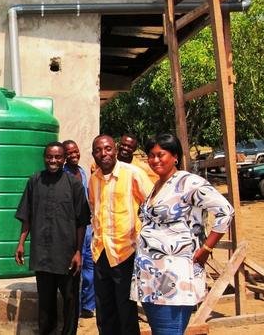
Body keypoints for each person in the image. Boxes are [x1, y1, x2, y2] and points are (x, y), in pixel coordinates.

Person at [130, 133, 234, 334]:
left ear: (175, 156)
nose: (155, 160)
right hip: (150, 277)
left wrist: (206, 248)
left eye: (161, 155)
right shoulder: (158, 185)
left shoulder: (188, 183)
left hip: (174, 277)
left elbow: (225, 211)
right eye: (151, 155)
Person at [15, 141, 90, 335]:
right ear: (44, 157)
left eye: (57, 157)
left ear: (64, 159)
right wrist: (21, 243)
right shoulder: (34, 181)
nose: (53, 160)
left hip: (67, 255)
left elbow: (82, 221)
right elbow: (27, 216)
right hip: (42, 253)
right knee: (46, 303)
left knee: (70, 300)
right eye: (49, 156)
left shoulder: (74, 184)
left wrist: (78, 252)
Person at [89, 134, 153, 335]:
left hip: (126, 252)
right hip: (101, 252)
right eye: (98, 150)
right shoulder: (93, 179)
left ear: (115, 150)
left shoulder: (133, 173)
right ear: (93, 154)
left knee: (125, 309)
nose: (103, 153)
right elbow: (94, 210)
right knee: (104, 310)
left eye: (107, 148)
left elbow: (152, 205)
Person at [62, 140, 95, 318]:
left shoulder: (82, 171)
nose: (73, 155)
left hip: (87, 227)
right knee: (75, 268)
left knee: (90, 266)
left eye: (75, 151)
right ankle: (74, 306)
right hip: (72, 228)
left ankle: (88, 306)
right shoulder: (63, 174)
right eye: (69, 153)